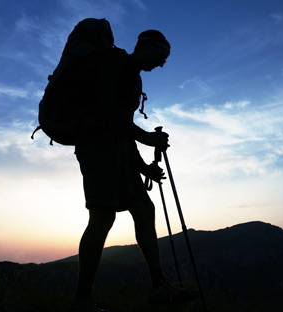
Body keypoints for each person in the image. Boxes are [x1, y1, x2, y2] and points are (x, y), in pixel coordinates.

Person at [71, 30, 199, 312]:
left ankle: (159, 287)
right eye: (162, 57)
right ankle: (82, 300)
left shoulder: (134, 76)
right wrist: (148, 139)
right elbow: (106, 110)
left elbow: (123, 129)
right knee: (102, 216)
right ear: (148, 48)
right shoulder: (114, 61)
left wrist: (143, 167)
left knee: (144, 208)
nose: (162, 64)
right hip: (97, 146)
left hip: (118, 151)